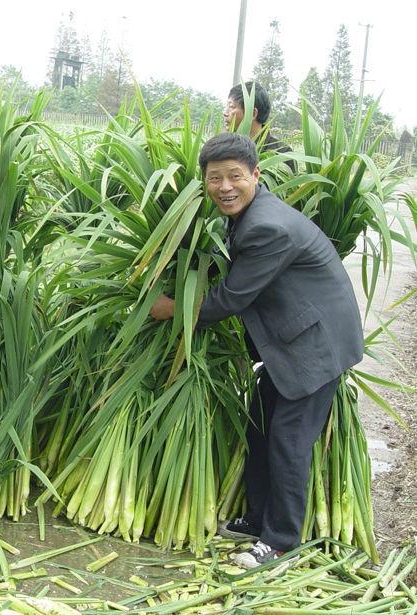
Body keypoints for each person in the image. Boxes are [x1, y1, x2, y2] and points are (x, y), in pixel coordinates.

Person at [149, 133, 363, 569]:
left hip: (315, 346)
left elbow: (232, 297)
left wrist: (171, 307)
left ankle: (280, 541)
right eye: (214, 178)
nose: (224, 187)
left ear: (256, 175)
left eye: (234, 176)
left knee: (288, 440)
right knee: (260, 426)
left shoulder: (267, 226)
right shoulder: (248, 213)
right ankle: (258, 519)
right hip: (294, 336)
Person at [224, 80, 296, 172]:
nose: (225, 113)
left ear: (252, 113)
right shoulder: (224, 148)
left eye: (232, 107)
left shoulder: (282, 153)